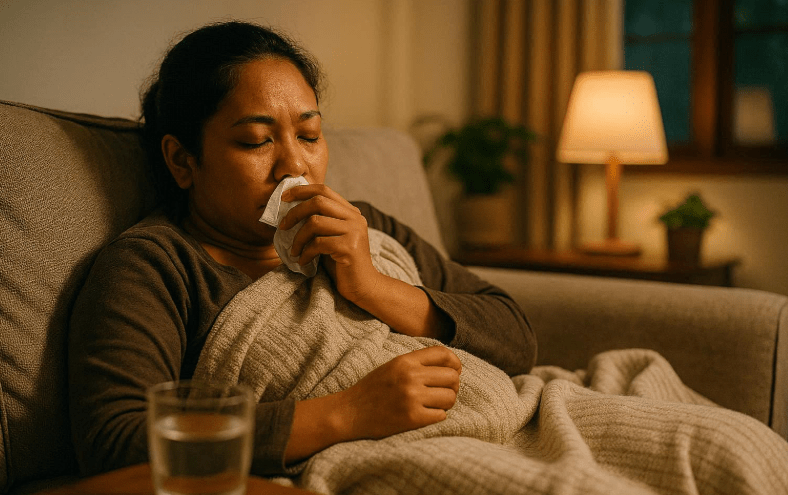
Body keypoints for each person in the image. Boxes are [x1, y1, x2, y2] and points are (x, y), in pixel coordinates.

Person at [67, 21, 537, 477]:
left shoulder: (366, 224)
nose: (295, 164)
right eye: (256, 141)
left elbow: (517, 339)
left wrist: (371, 284)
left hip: (522, 423)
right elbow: (115, 442)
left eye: (309, 135)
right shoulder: (156, 266)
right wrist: (347, 413)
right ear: (182, 160)